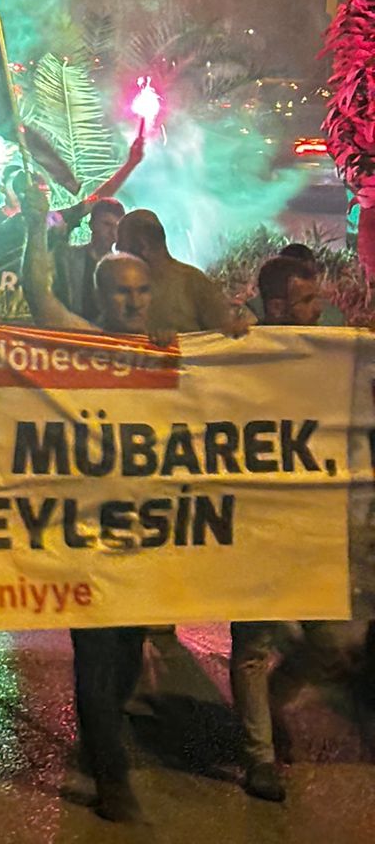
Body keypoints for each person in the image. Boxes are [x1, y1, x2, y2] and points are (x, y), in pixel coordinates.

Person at [19, 175, 156, 822]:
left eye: (140, 290)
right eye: (120, 292)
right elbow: (39, 296)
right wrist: (35, 225)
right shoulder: (84, 343)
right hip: (88, 535)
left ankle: (103, 741)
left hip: (147, 534)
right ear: (101, 298)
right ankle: (111, 772)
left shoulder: (171, 352)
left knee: (127, 653)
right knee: (98, 655)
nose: (132, 301)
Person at [228, 255, 362, 801]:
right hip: (255, 519)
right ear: (278, 304)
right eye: (307, 300)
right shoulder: (238, 349)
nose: (318, 308)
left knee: (329, 640)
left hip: (311, 520)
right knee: (253, 641)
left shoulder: (324, 345)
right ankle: (258, 757)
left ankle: (270, 702)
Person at [113, 208, 248, 336]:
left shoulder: (193, 283)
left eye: (122, 249)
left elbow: (225, 338)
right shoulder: (118, 286)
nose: (118, 256)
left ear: (142, 246)